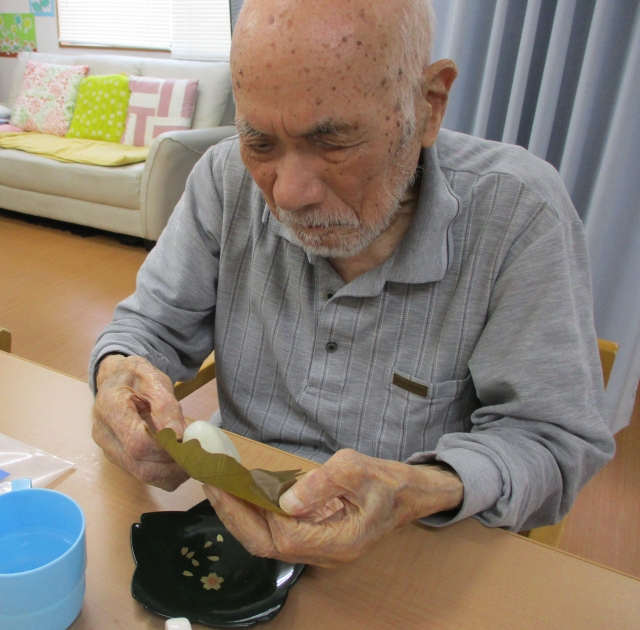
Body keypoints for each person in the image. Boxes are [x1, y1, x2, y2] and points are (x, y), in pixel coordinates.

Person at [90, 0, 614, 567]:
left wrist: (422, 487)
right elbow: (146, 328)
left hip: (411, 552)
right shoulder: (224, 179)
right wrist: (118, 376)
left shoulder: (517, 214)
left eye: (333, 142)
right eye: (260, 143)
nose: (288, 193)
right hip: (236, 525)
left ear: (429, 105)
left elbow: (552, 441)